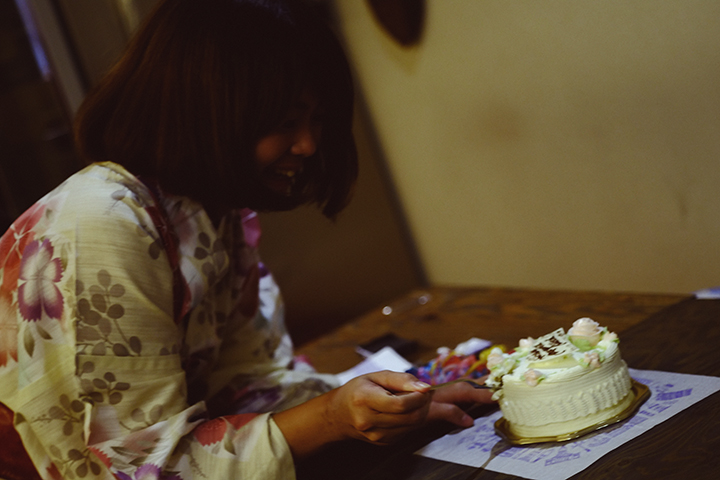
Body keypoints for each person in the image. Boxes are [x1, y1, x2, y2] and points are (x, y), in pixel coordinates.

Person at [0, 0, 492, 479]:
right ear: (204, 109)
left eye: (317, 119)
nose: (308, 144)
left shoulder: (212, 211)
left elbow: (249, 383)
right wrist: (330, 417)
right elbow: (139, 468)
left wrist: (407, 400)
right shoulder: (101, 223)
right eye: (285, 122)